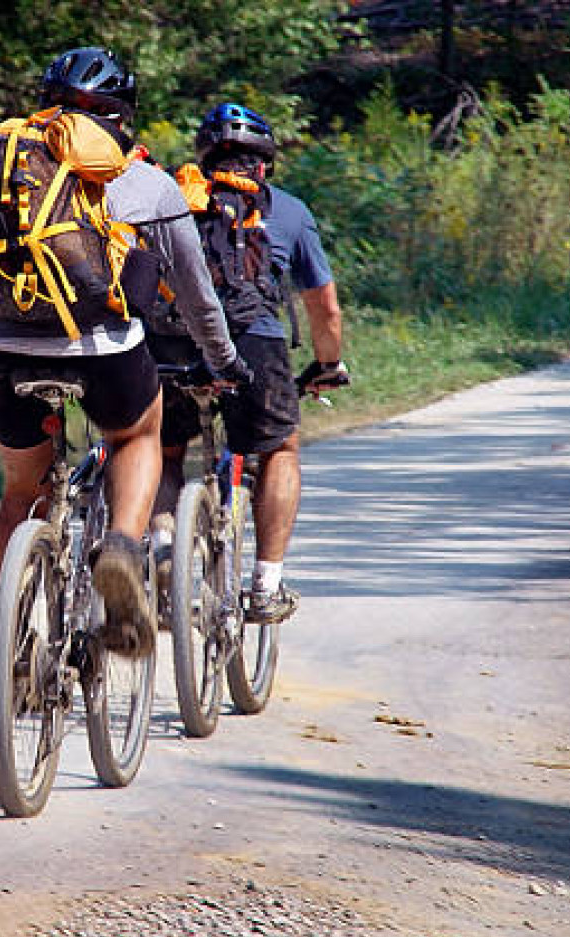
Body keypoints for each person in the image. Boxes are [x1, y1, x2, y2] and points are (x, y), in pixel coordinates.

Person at [0, 47, 244, 658]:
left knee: (21, 493)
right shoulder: (146, 180)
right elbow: (198, 296)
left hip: (3, 345)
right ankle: (120, 545)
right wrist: (224, 359)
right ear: (123, 114)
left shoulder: (7, 167)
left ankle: (8, 650)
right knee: (136, 434)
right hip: (103, 349)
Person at [156, 103, 347, 625]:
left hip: (173, 342)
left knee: (163, 451)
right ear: (264, 164)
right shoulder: (287, 211)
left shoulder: (173, 198)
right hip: (254, 342)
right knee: (280, 447)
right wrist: (328, 363)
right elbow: (324, 307)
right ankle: (265, 586)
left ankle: (159, 548)